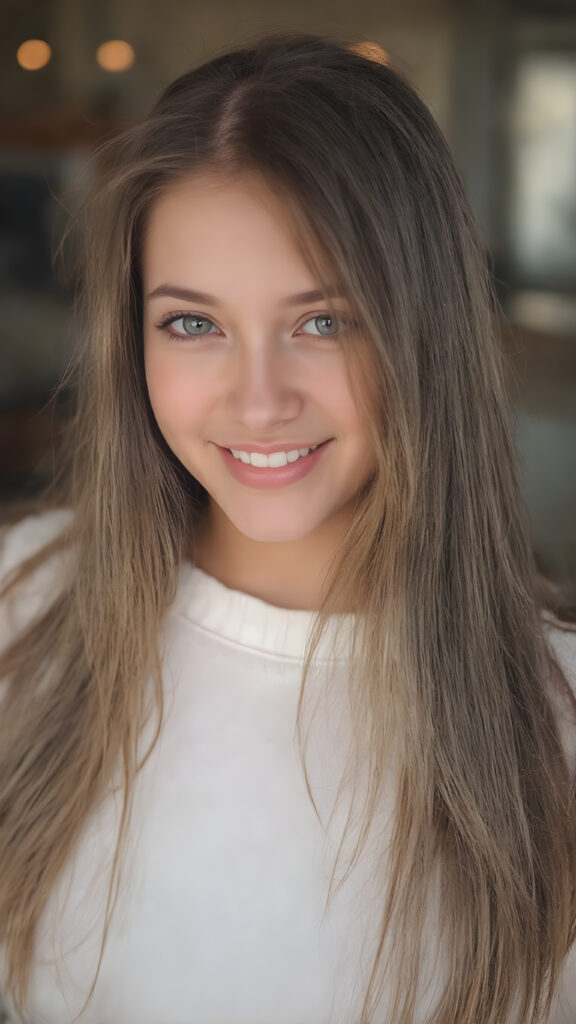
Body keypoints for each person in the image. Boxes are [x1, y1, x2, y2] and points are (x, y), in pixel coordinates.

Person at [1, 30, 575, 1024]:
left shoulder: (557, 732)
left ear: (420, 330)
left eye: (323, 320)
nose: (258, 401)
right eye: (193, 323)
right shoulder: (21, 605)